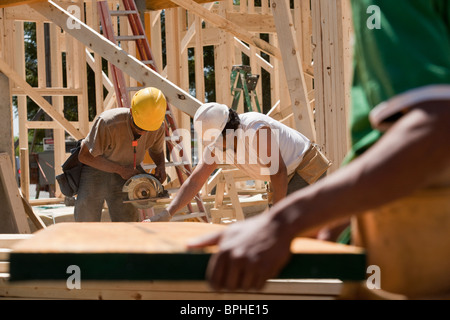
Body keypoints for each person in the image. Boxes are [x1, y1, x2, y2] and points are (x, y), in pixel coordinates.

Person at [186, 0, 450, 298]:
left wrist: (280, 221)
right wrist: (344, 211)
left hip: (323, 173)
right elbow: (198, 176)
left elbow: (434, 130)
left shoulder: (255, 129)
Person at [148, 102, 331, 222]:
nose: (216, 148)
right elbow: (195, 181)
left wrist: (276, 216)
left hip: (305, 167)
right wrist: (168, 213)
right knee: (278, 230)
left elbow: (279, 172)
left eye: (217, 141)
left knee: (293, 226)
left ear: (229, 129)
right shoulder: (217, 145)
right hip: (284, 176)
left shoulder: (256, 129)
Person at [75, 87, 167, 222]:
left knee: (128, 221)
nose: (142, 133)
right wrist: (119, 170)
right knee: (86, 218)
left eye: (148, 129)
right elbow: (84, 156)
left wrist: (161, 165)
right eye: (139, 127)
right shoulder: (108, 123)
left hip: (128, 171)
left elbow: (156, 150)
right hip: (96, 169)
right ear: (131, 112)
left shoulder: (158, 126)